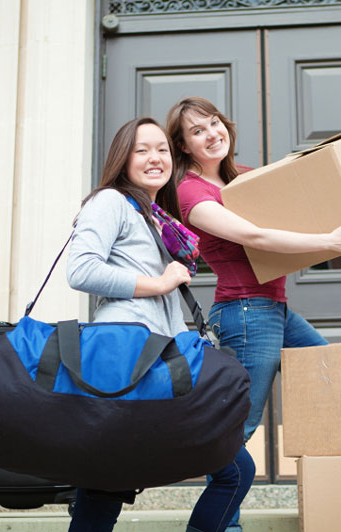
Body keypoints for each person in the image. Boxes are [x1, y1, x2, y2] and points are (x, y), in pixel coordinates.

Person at [167, 97, 341, 531]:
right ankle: (219, 525)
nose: (211, 134)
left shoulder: (248, 179)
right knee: (236, 432)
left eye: (214, 123)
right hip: (243, 313)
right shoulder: (191, 192)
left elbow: (310, 218)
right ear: (183, 146)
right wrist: (333, 243)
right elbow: (256, 235)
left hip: (273, 309)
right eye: (197, 131)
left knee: (335, 384)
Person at [66, 116, 255, 532]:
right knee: (106, 487)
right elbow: (80, 271)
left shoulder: (155, 216)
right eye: (142, 150)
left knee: (231, 471)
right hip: (127, 360)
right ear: (123, 158)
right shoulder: (110, 202)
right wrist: (159, 282)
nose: (155, 158)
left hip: (159, 359)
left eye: (162, 150)